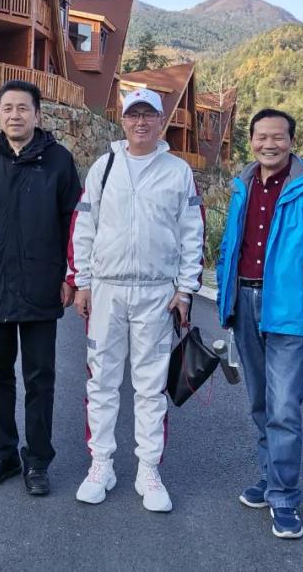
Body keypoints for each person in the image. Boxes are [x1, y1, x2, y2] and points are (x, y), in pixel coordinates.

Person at [216, 108, 303, 539]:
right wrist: (225, 299)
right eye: (261, 137)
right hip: (245, 301)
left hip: (291, 311)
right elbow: (230, 246)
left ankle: (285, 496)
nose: (269, 144)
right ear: (251, 140)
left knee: (284, 408)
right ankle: (270, 477)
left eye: (278, 137)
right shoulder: (243, 184)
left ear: (292, 141)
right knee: (260, 404)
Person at [68, 88, 204, 513]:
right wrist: (82, 282)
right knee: (101, 382)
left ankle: (148, 469)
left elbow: (192, 233)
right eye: (133, 115)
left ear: (161, 121)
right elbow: (84, 226)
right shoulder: (104, 167)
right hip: (107, 288)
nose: (140, 122)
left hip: (156, 292)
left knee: (150, 386)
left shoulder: (178, 172)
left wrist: (185, 290)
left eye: (149, 115)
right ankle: (101, 464)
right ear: (122, 120)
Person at [0, 80, 82, 496]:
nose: (15, 115)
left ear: (37, 114)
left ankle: (37, 460)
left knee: (39, 377)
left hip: (41, 284)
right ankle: (2, 454)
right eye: (8, 108)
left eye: (23, 108)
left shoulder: (59, 161)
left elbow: (75, 224)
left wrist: (71, 276)